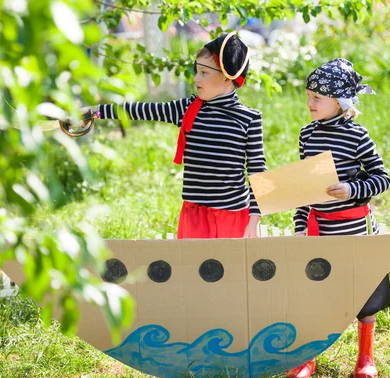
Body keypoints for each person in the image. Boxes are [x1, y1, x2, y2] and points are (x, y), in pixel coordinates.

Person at [86, 32, 266, 239]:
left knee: (233, 270)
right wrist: (94, 112)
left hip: (234, 218)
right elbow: (141, 110)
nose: (196, 78)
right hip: (195, 216)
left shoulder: (249, 119)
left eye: (204, 73)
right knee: (194, 269)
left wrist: (254, 220)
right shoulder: (188, 108)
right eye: (196, 71)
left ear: (227, 76)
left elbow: (257, 173)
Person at [287, 58, 390, 378]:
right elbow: (306, 185)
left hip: (355, 229)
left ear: (339, 100)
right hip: (321, 229)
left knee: (364, 294)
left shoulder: (357, 136)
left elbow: (382, 178)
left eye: (316, 98)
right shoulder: (307, 135)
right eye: (308, 96)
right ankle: (308, 358)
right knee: (315, 293)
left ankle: (365, 357)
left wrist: (351, 188)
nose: (309, 104)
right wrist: (301, 223)